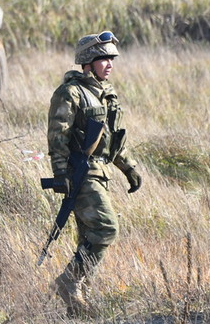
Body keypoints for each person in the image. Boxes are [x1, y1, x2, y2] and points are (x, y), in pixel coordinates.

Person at [46, 31, 141, 316]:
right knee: (106, 228)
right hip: (81, 172)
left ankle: (78, 301)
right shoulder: (70, 93)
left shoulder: (106, 93)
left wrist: (129, 167)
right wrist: (60, 172)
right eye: (104, 58)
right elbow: (57, 136)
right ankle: (69, 282)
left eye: (112, 57)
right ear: (88, 61)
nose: (110, 63)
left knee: (88, 236)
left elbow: (111, 139)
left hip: (101, 172)